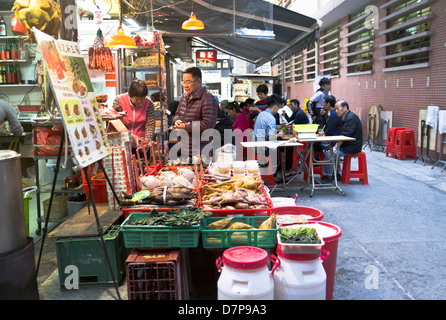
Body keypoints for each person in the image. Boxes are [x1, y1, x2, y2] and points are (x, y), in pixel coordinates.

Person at [172, 67, 218, 159]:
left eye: (188, 82)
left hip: (199, 151)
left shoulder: (207, 98)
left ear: (199, 82)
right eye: (183, 82)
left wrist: (186, 126)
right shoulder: (184, 97)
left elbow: (208, 125)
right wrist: (176, 121)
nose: (185, 85)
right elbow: (177, 114)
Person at [254, 94, 293, 180]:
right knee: (288, 147)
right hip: (264, 147)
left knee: (278, 147)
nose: (278, 111)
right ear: (275, 107)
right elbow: (272, 137)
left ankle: (278, 172)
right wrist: (279, 134)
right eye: (278, 108)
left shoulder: (261, 114)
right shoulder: (271, 118)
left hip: (256, 144)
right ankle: (281, 172)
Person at [322, 100, 363, 180]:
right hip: (347, 144)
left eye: (338, 109)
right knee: (330, 151)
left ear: (345, 108)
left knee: (330, 154)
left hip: (352, 146)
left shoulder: (351, 118)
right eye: (335, 109)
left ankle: (328, 176)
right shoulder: (344, 117)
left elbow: (346, 135)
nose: (336, 111)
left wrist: (336, 147)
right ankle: (335, 173)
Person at [113, 79, 155, 150]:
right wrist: (132, 136)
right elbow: (116, 123)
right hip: (122, 142)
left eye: (142, 99)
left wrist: (147, 140)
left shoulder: (148, 103)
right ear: (130, 94)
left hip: (141, 143)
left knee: (142, 161)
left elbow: (150, 124)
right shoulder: (119, 100)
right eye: (136, 98)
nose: (139, 101)